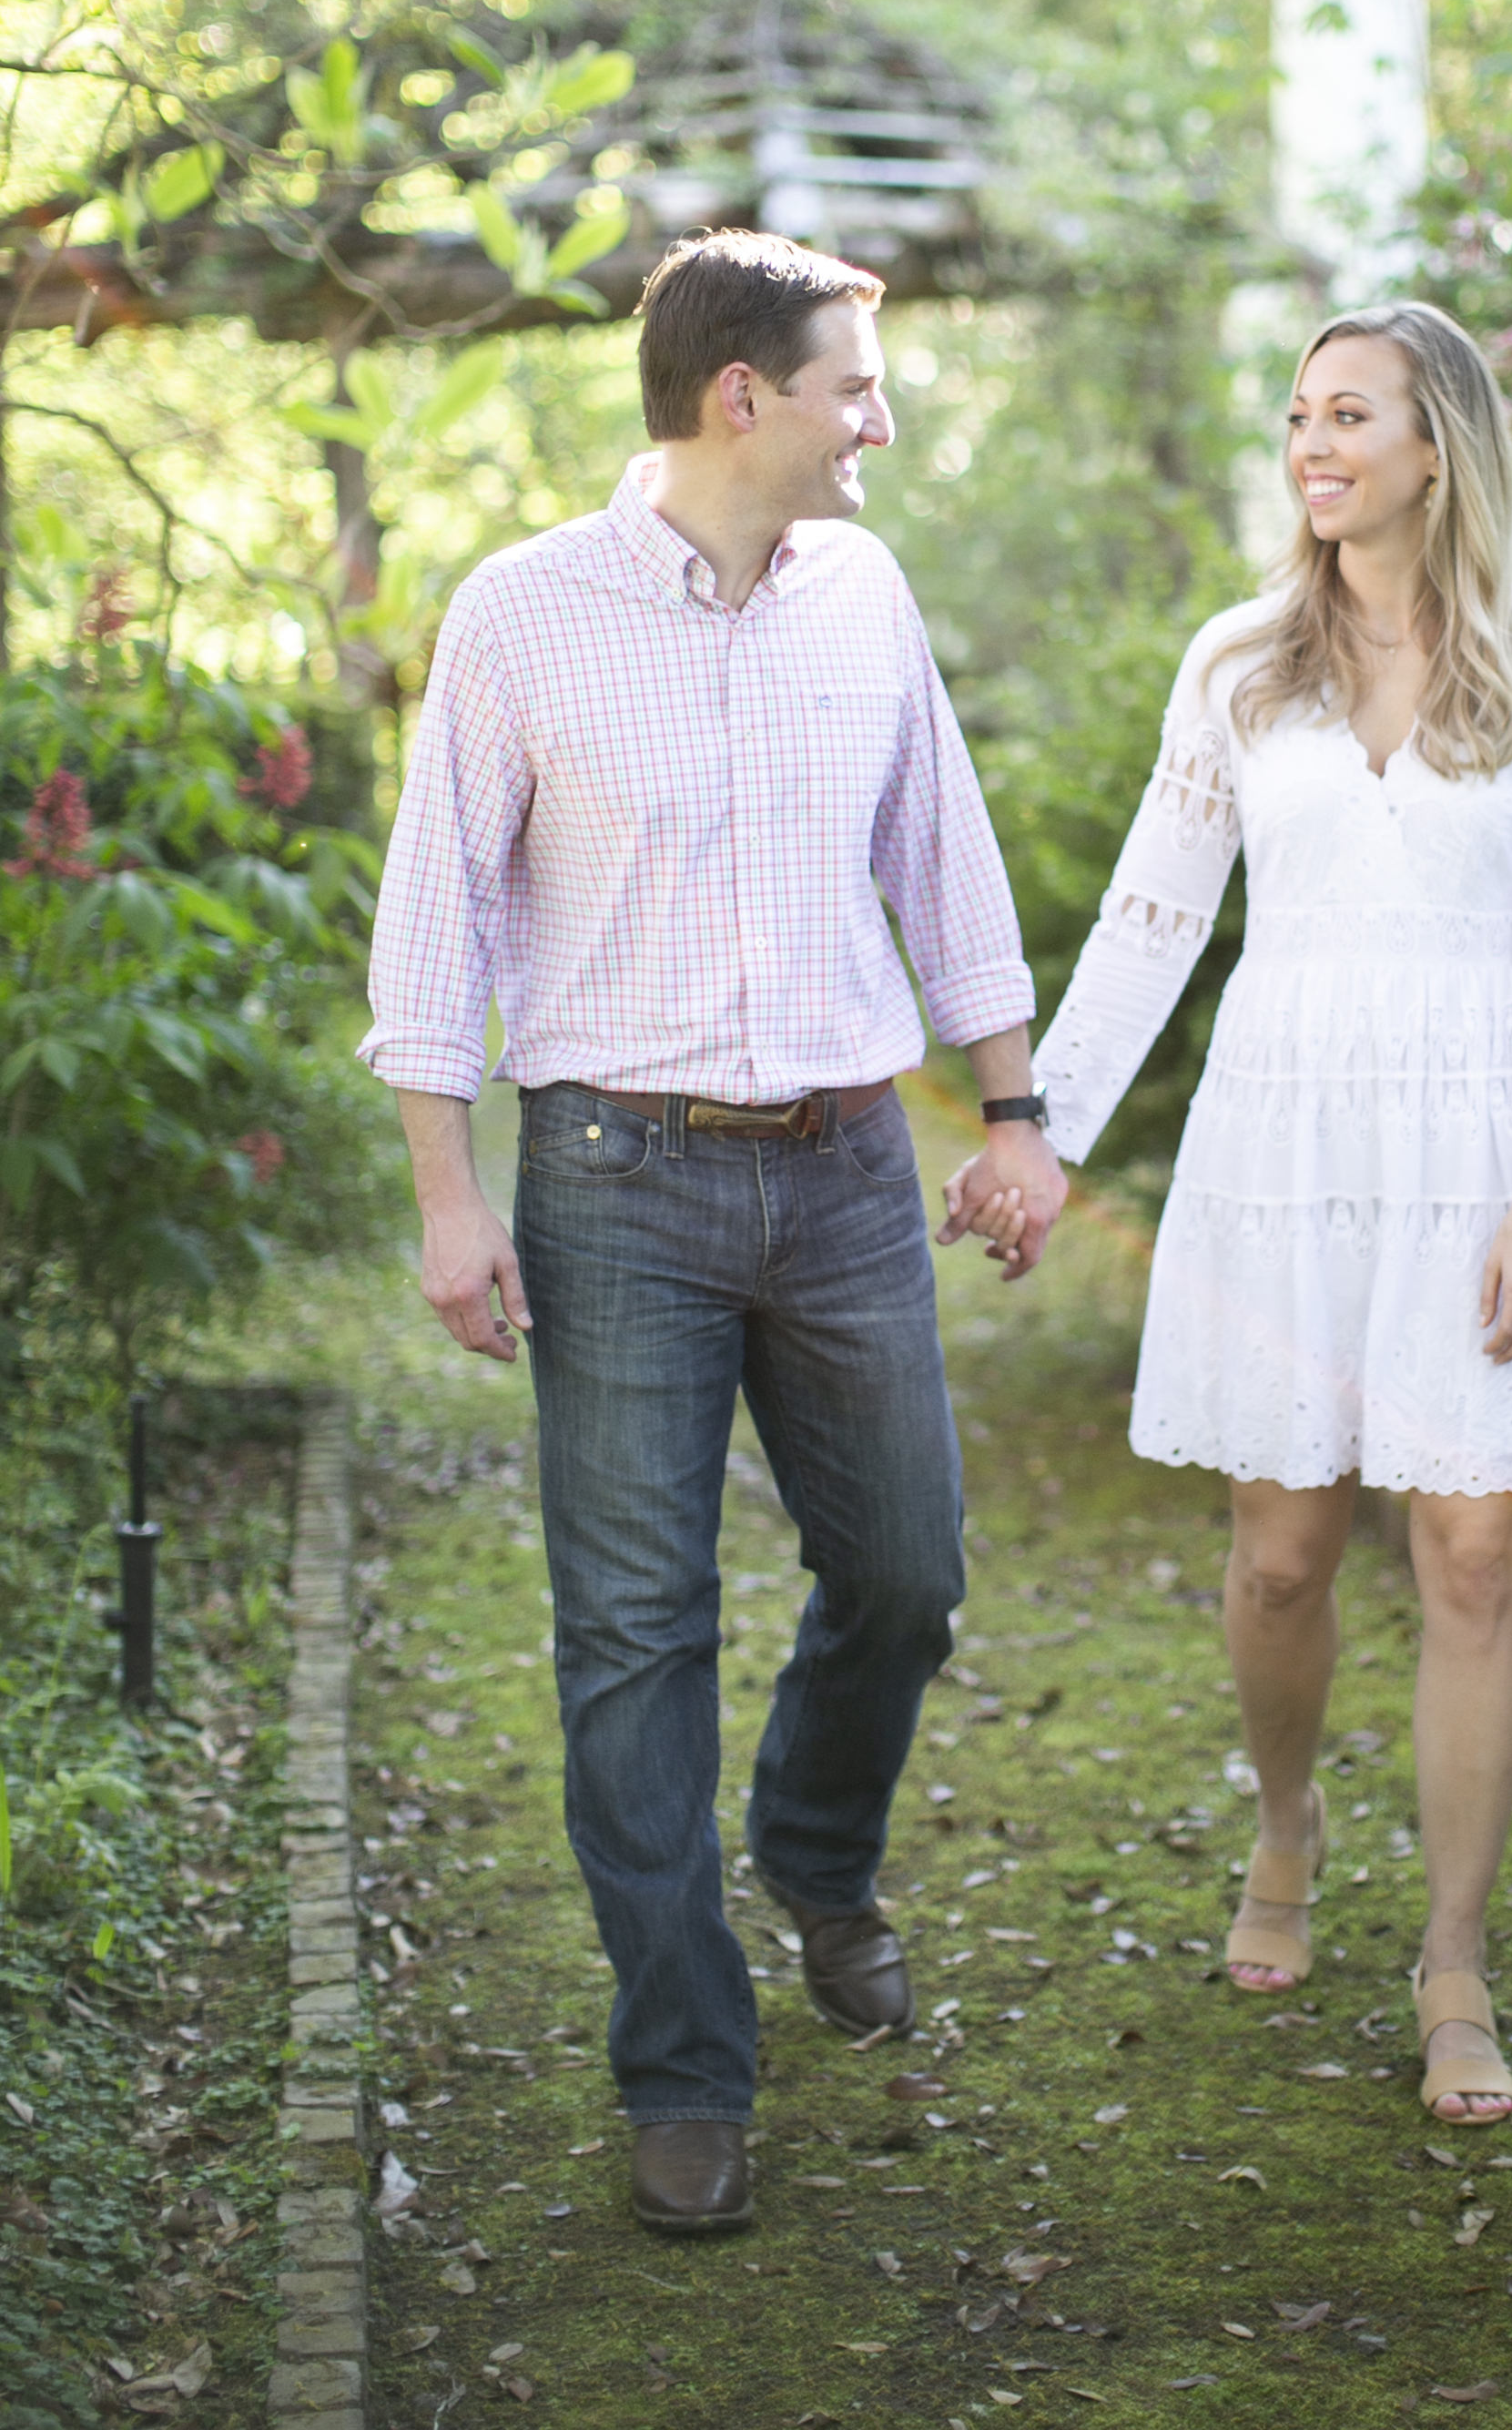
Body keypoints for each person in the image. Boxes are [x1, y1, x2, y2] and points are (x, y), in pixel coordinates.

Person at [360, 230, 1069, 2236]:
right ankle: (684, 2057)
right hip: (616, 1185)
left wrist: (1010, 1111)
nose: (883, 417)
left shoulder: (868, 593)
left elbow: (947, 857)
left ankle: (817, 1851)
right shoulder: (522, 614)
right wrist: (447, 1193)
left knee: (909, 1572)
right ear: (739, 396)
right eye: (858, 382)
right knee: (633, 1638)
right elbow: (441, 923)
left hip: (848, 1173)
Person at [1029, 300, 1512, 2127]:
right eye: (1298, 415)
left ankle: (1453, 1961)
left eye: (1348, 414)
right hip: (1279, 1147)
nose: (1311, 444)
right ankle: (1285, 1824)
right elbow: (1150, 920)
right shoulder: (1239, 664)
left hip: (1478, 1159)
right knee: (1283, 1552)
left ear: (1437, 444)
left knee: (1472, 1557)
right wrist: (1032, 1136)